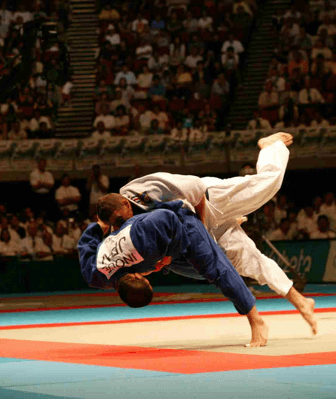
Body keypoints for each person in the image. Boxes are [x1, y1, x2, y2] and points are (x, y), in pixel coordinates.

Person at [115, 133, 317, 333]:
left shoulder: (133, 235)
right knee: (251, 261)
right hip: (200, 226)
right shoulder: (131, 259)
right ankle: (301, 301)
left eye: (146, 277)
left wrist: (205, 228)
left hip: (208, 198)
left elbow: (188, 201)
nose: (149, 274)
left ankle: (269, 148)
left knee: (267, 185)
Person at [78, 200, 269, 347]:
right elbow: (85, 245)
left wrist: (168, 257)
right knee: (202, 272)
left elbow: (169, 217)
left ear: (137, 276)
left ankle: (256, 320)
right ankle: (217, 234)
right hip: (159, 247)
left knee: (215, 271)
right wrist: (98, 227)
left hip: (181, 225)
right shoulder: (96, 275)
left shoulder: (142, 237)